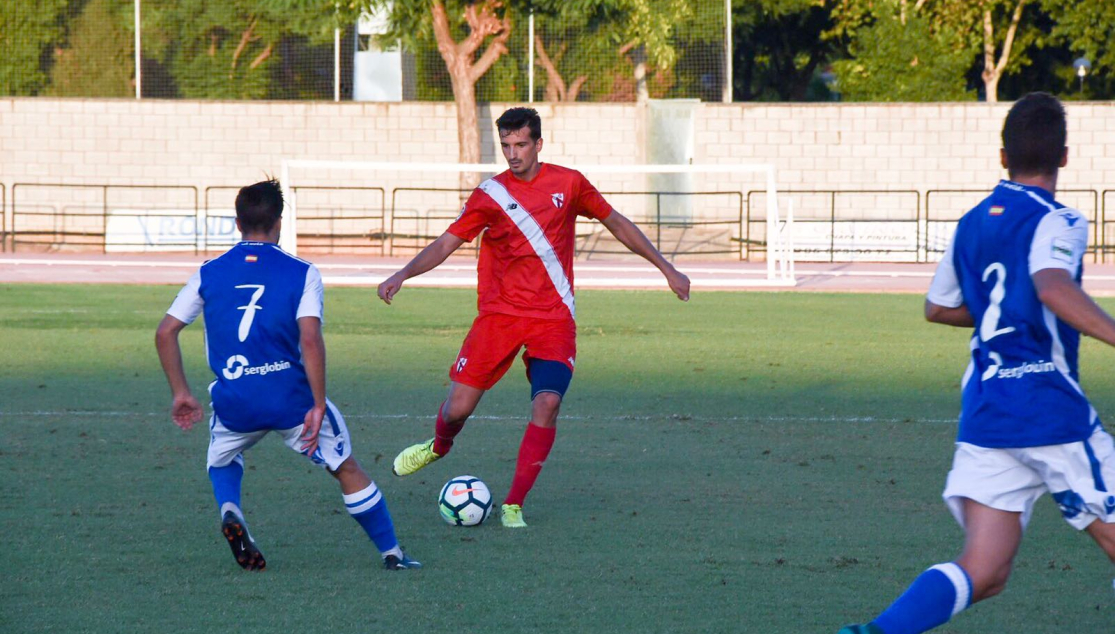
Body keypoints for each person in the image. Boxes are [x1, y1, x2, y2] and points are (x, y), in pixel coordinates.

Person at [840, 93, 1115, 634]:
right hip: (1046, 406)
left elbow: (938, 307)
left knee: (984, 569)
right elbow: (1052, 285)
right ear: (1064, 156)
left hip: (987, 410)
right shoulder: (1059, 219)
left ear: (1002, 155)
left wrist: (1004, 310)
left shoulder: (970, 223)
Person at [378, 107, 690, 528]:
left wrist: (666, 267)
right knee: (457, 409)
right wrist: (403, 274)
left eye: (521, 144)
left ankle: (512, 504)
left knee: (547, 403)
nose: (513, 153)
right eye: (506, 145)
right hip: (499, 316)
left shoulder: (570, 183)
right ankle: (438, 445)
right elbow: (446, 242)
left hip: (553, 318)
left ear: (539, 144)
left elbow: (616, 222)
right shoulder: (489, 195)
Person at [155, 179, 420, 571]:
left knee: (222, 458)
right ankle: (393, 554)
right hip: (291, 401)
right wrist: (316, 404)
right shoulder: (302, 272)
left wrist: (181, 392)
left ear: (236, 222)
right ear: (279, 222)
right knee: (345, 467)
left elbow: (165, 332)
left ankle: (231, 509)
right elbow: (310, 338)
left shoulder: (209, 273)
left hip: (236, 400)